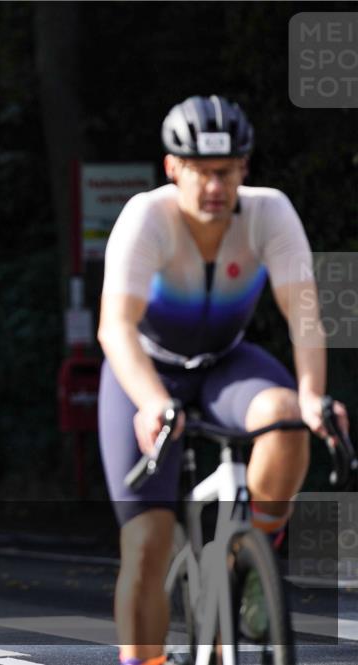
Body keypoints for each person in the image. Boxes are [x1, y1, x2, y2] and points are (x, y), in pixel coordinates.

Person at [97, 95, 349, 665]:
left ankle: (251, 560)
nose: (215, 186)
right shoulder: (146, 217)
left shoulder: (270, 212)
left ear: (245, 169)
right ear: (172, 169)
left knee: (287, 418)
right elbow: (116, 328)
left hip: (224, 363)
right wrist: (152, 402)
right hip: (145, 368)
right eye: (202, 172)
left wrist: (312, 396)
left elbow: (303, 311)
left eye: (228, 172)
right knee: (146, 545)